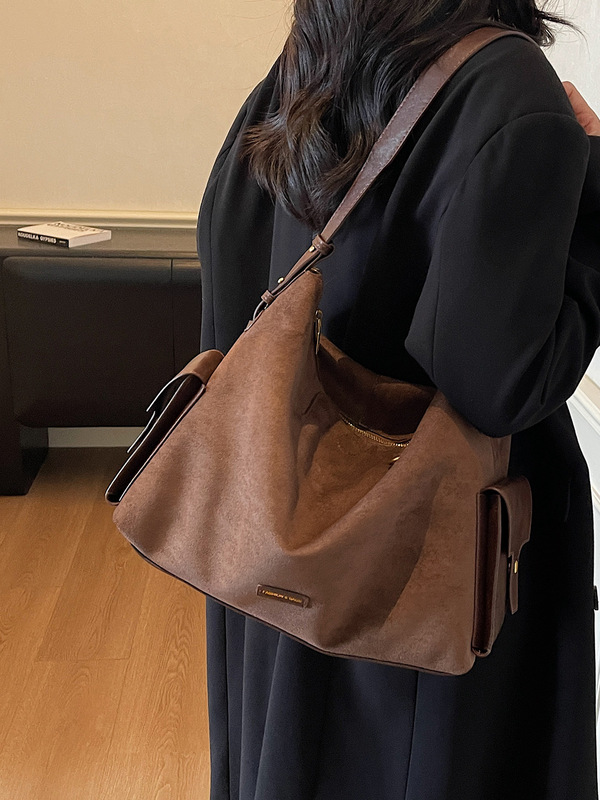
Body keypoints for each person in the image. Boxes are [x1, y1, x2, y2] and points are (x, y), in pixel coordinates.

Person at [196, 1, 600, 797]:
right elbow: (498, 385)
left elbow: (228, 252)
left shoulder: (311, 64)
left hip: (282, 551)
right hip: (426, 594)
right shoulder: (508, 84)